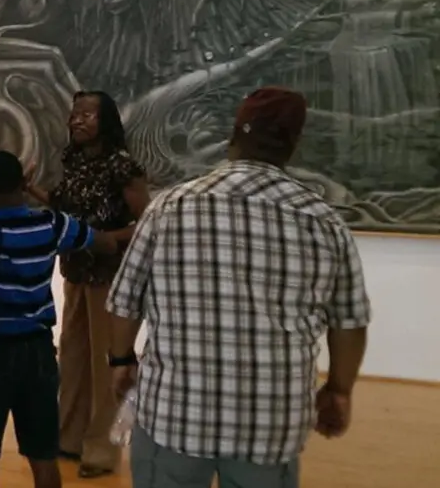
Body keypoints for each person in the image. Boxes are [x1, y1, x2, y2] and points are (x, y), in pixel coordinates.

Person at [106, 87, 372, 488]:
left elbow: (126, 303)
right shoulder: (323, 220)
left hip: (176, 414)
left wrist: (121, 361)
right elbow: (349, 321)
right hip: (270, 425)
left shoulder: (170, 207)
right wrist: (338, 390)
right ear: (293, 144)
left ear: (233, 135)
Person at [0, 150, 119, 488]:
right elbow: (106, 244)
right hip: (38, 351)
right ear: (23, 184)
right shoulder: (51, 224)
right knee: (41, 453)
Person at [24, 90, 149, 478]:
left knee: (107, 363)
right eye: (74, 114)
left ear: (106, 121)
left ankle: (102, 449)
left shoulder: (122, 167)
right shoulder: (75, 162)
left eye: (87, 115)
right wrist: (30, 189)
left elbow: (147, 220)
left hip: (109, 277)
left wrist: (113, 238)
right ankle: (69, 437)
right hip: (76, 271)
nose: (77, 120)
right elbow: (65, 207)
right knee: (74, 358)